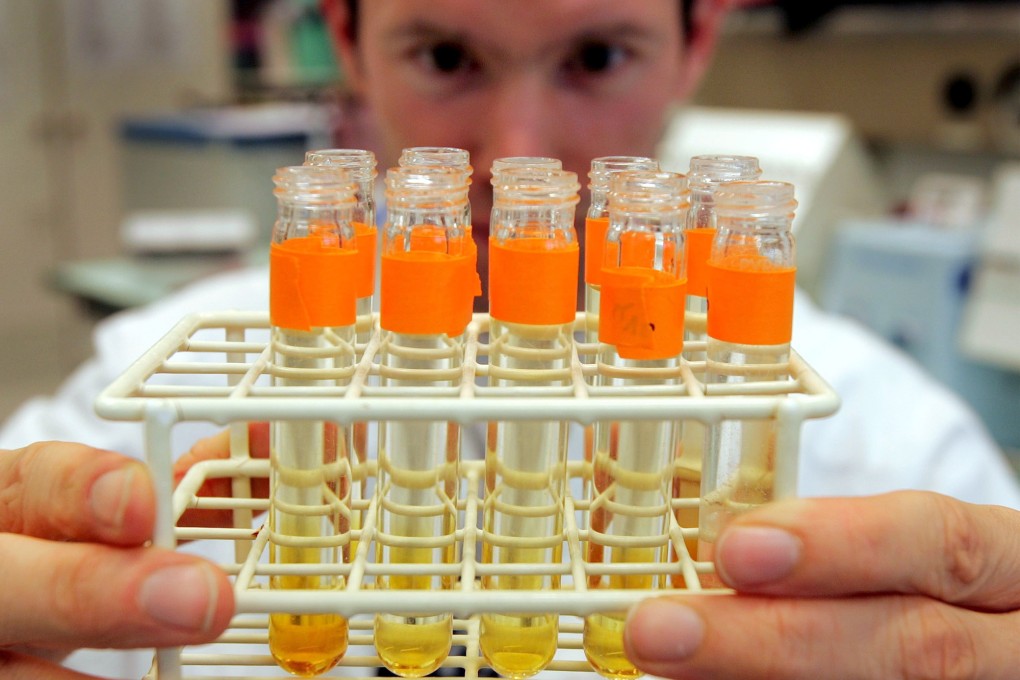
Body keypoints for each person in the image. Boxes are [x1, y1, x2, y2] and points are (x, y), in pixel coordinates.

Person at [2, 0, 1019, 677]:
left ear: (697, 41)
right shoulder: (136, 389)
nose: (517, 152)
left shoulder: (902, 444)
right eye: (446, 56)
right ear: (345, 38)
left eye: (596, 57)